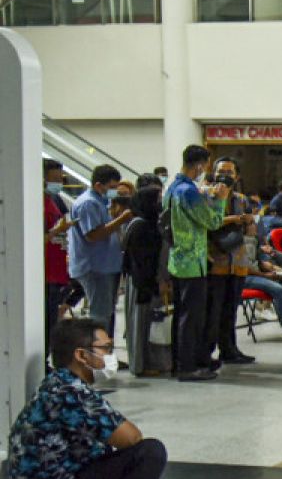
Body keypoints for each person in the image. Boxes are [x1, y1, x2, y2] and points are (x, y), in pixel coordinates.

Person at [5, 319, 207, 479]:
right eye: (106, 348)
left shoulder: (61, 386)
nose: (110, 356)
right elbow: (131, 438)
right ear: (81, 355)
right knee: (149, 452)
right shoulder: (68, 392)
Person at [164, 145, 228, 382]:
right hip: (192, 261)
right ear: (200, 165)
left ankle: (180, 361)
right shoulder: (188, 192)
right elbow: (212, 222)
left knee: (182, 314)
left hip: (178, 258)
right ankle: (188, 366)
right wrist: (220, 201)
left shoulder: (173, 188)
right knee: (192, 318)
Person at [68, 164, 131, 338]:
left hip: (106, 266)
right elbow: (93, 235)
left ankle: (104, 355)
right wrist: (121, 219)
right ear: (98, 185)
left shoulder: (101, 202)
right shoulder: (89, 203)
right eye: (111, 188)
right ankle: (97, 355)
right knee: (99, 315)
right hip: (95, 268)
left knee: (106, 312)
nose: (114, 192)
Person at [205, 158, 257, 367]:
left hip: (237, 260)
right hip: (215, 259)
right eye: (221, 171)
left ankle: (229, 349)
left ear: (237, 176)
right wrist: (233, 219)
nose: (225, 175)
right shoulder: (207, 195)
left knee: (230, 310)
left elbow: (251, 230)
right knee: (213, 311)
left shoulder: (242, 199)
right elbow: (207, 222)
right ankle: (207, 352)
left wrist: (248, 221)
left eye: (229, 171)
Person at [122, 183, 168, 376]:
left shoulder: (147, 223)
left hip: (145, 282)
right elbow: (140, 261)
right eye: (157, 199)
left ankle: (146, 362)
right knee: (140, 326)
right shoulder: (141, 225)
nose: (161, 203)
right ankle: (140, 365)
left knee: (146, 325)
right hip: (142, 284)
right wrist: (152, 284)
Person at [42, 159, 74, 353]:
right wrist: (57, 230)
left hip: (56, 267)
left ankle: (48, 355)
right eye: (54, 179)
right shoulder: (37, 203)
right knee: (46, 317)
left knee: (52, 317)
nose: (58, 183)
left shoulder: (52, 200)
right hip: (46, 270)